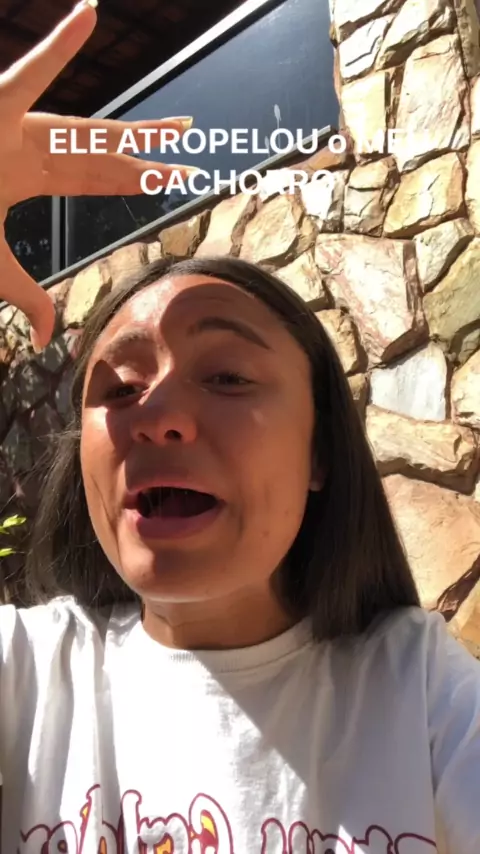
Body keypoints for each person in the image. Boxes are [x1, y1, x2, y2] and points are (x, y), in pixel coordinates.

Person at [0, 2, 478, 852]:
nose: (157, 417)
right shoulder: (29, 677)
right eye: (118, 387)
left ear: (321, 449)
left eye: (225, 376)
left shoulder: (423, 693)